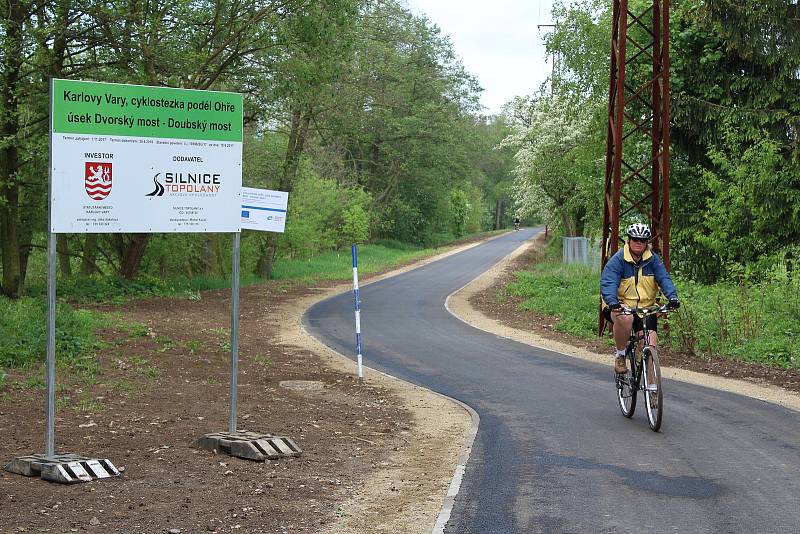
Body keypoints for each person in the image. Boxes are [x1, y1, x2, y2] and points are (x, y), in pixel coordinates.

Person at [600, 223, 680, 379]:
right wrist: (612, 301)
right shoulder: (618, 260)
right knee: (625, 317)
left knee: (650, 347)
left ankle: (653, 390)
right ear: (629, 240)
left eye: (642, 240)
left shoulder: (653, 260)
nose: (638, 243)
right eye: (635, 239)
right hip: (619, 306)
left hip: (646, 308)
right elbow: (608, 282)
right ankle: (621, 355)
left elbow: (664, 278)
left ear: (647, 243)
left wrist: (672, 297)